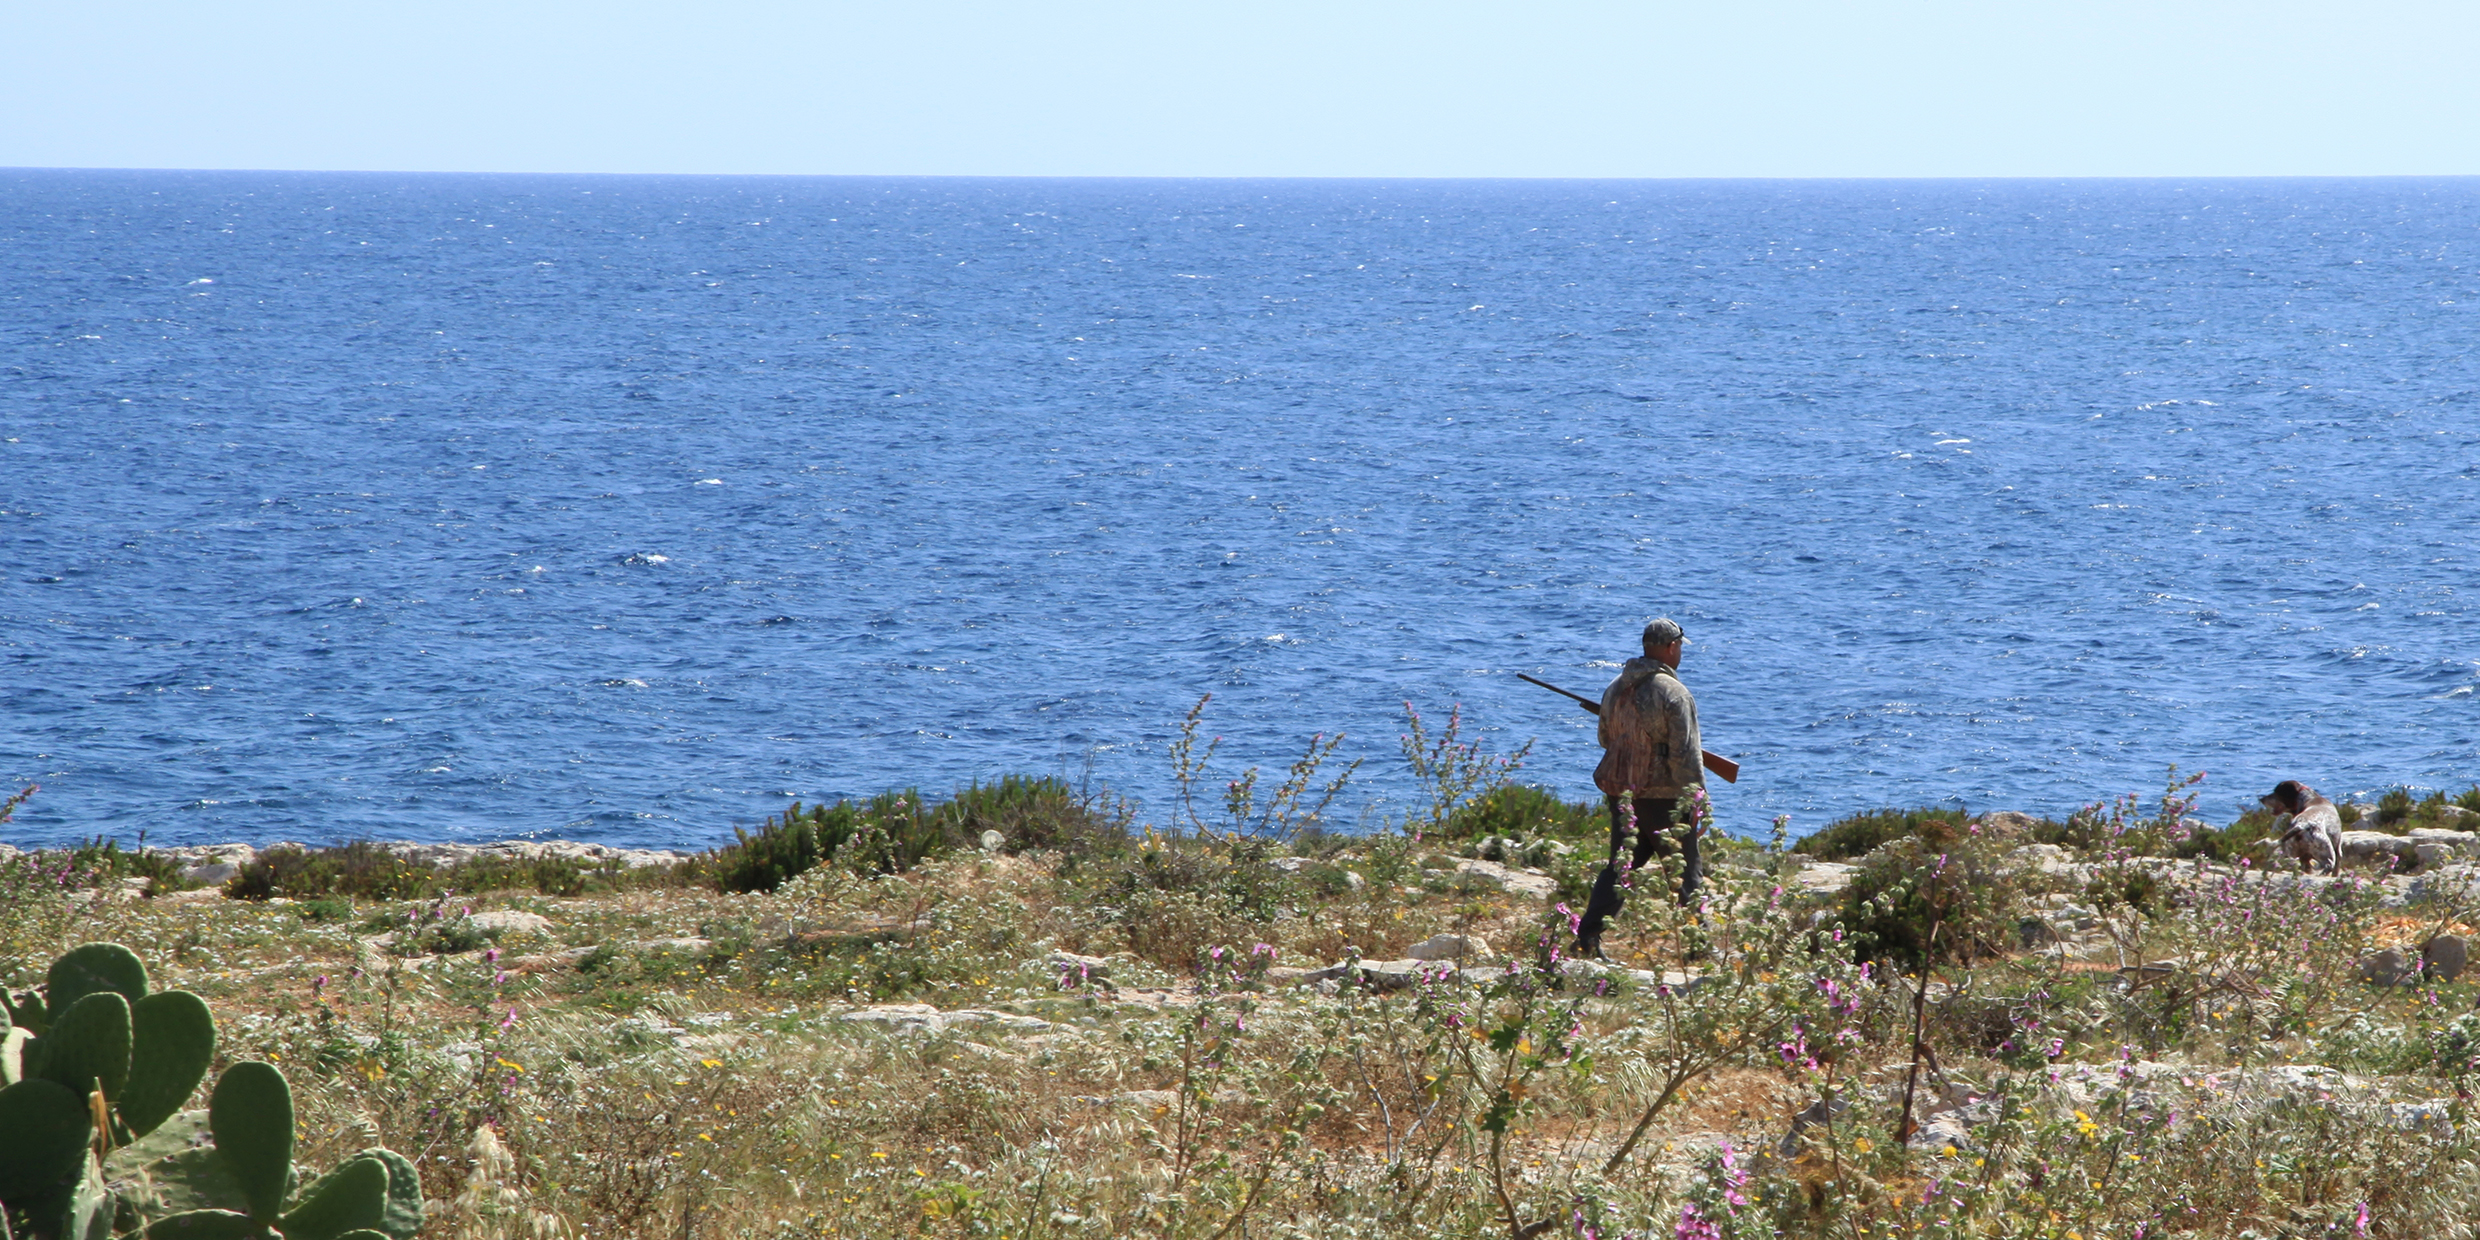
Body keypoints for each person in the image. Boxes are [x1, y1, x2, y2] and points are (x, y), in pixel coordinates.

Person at [1573, 617, 1704, 957]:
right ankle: (1698, 948)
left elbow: (1605, 738)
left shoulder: (1615, 687)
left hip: (1623, 791)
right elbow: (1685, 754)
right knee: (1686, 871)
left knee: (1621, 866)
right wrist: (1695, 799)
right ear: (1671, 647)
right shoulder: (1675, 692)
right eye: (1678, 648)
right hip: (1664, 796)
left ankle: (1588, 937)